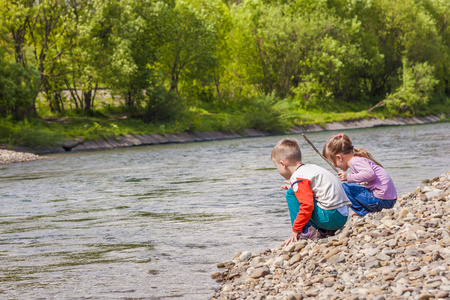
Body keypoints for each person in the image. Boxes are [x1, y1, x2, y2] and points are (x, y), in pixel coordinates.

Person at [271, 138, 352, 246]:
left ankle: (305, 232)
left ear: (283, 164)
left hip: (331, 218)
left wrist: (295, 229)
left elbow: (307, 205)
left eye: (276, 166)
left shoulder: (298, 177)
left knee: (291, 194)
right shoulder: (310, 169)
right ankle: (324, 231)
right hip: (342, 216)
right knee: (294, 192)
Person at [322, 133, 397, 217]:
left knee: (344, 187)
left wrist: (348, 177)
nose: (334, 165)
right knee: (353, 186)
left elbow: (370, 174)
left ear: (339, 157)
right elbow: (363, 183)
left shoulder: (356, 162)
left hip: (381, 200)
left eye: (333, 162)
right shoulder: (358, 161)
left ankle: (364, 213)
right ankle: (363, 210)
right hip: (388, 200)